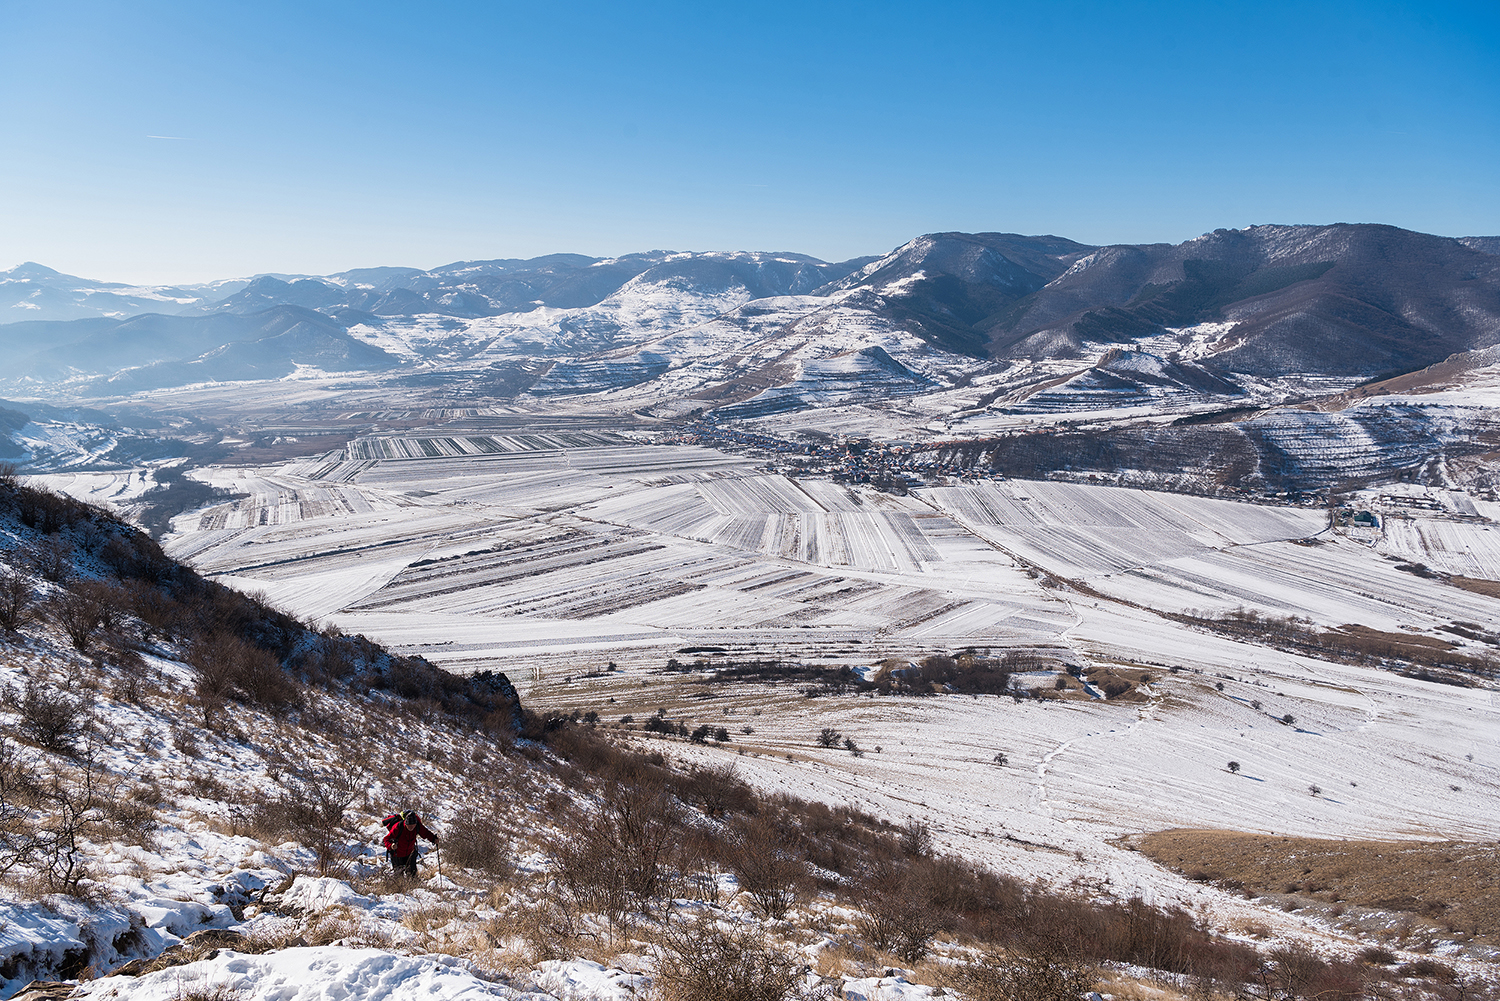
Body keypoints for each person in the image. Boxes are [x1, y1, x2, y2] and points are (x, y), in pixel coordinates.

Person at [382, 809, 439, 878]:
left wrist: (433, 839)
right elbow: (386, 839)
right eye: (409, 825)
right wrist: (391, 846)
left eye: (413, 825)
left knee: (412, 876)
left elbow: (426, 833)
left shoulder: (417, 826)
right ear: (405, 823)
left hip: (410, 854)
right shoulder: (398, 827)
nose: (411, 827)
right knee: (399, 877)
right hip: (397, 855)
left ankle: (413, 888)